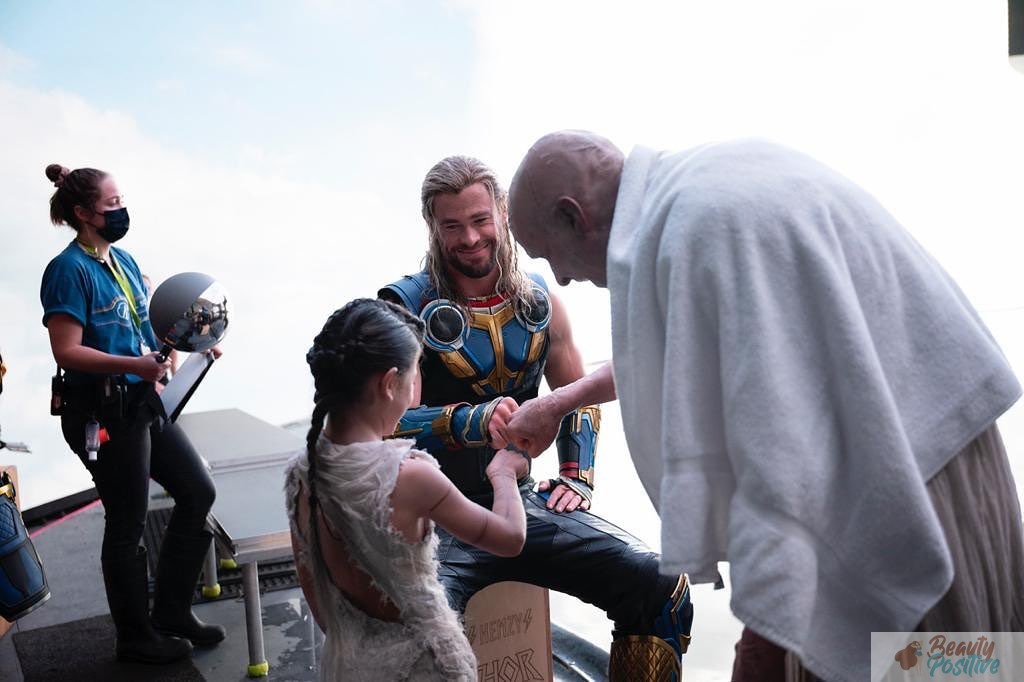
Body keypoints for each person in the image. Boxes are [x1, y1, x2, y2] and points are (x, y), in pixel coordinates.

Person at [506, 131, 1024, 682]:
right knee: (977, 659)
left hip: (903, 476)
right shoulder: (695, 191)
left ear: (574, 216)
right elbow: (675, 357)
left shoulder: (703, 229)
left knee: (934, 666)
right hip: (923, 438)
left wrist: (765, 631)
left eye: (547, 254)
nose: (560, 277)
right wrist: (561, 402)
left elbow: (775, 445)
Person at [378, 155, 692, 680]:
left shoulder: (540, 298)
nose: (471, 238)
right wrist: (469, 420)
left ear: (502, 213)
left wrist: (577, 478)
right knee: (425, 639)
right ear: (433, 226)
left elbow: (576, 394)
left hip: (520, 505)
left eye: (480, 220)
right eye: (452, 226)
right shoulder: (403, 309)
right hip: (434, 520)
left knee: (659, 584)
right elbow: (387, 424)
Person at [284, 298, 529, 681]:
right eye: (416, 375)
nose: (417, 392)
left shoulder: (302, 472)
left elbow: (315, 593)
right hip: (425, 668)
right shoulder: (409, 476)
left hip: (350, 664)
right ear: (388, 383)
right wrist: (505, 475)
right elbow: (510, 538)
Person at [39, 164, 224, 664]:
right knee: (127, 521)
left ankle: (171, 612)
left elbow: (151, 330)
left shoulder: (123, 261)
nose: (121, 211)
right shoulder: (67, 271)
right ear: (82, 213)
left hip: (142, 402)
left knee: (196, 491)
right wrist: (134, 366)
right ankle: (135, 637)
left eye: (122, 201)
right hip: (102, 412)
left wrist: (194, 344)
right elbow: (66, 351)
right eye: (112, 204)